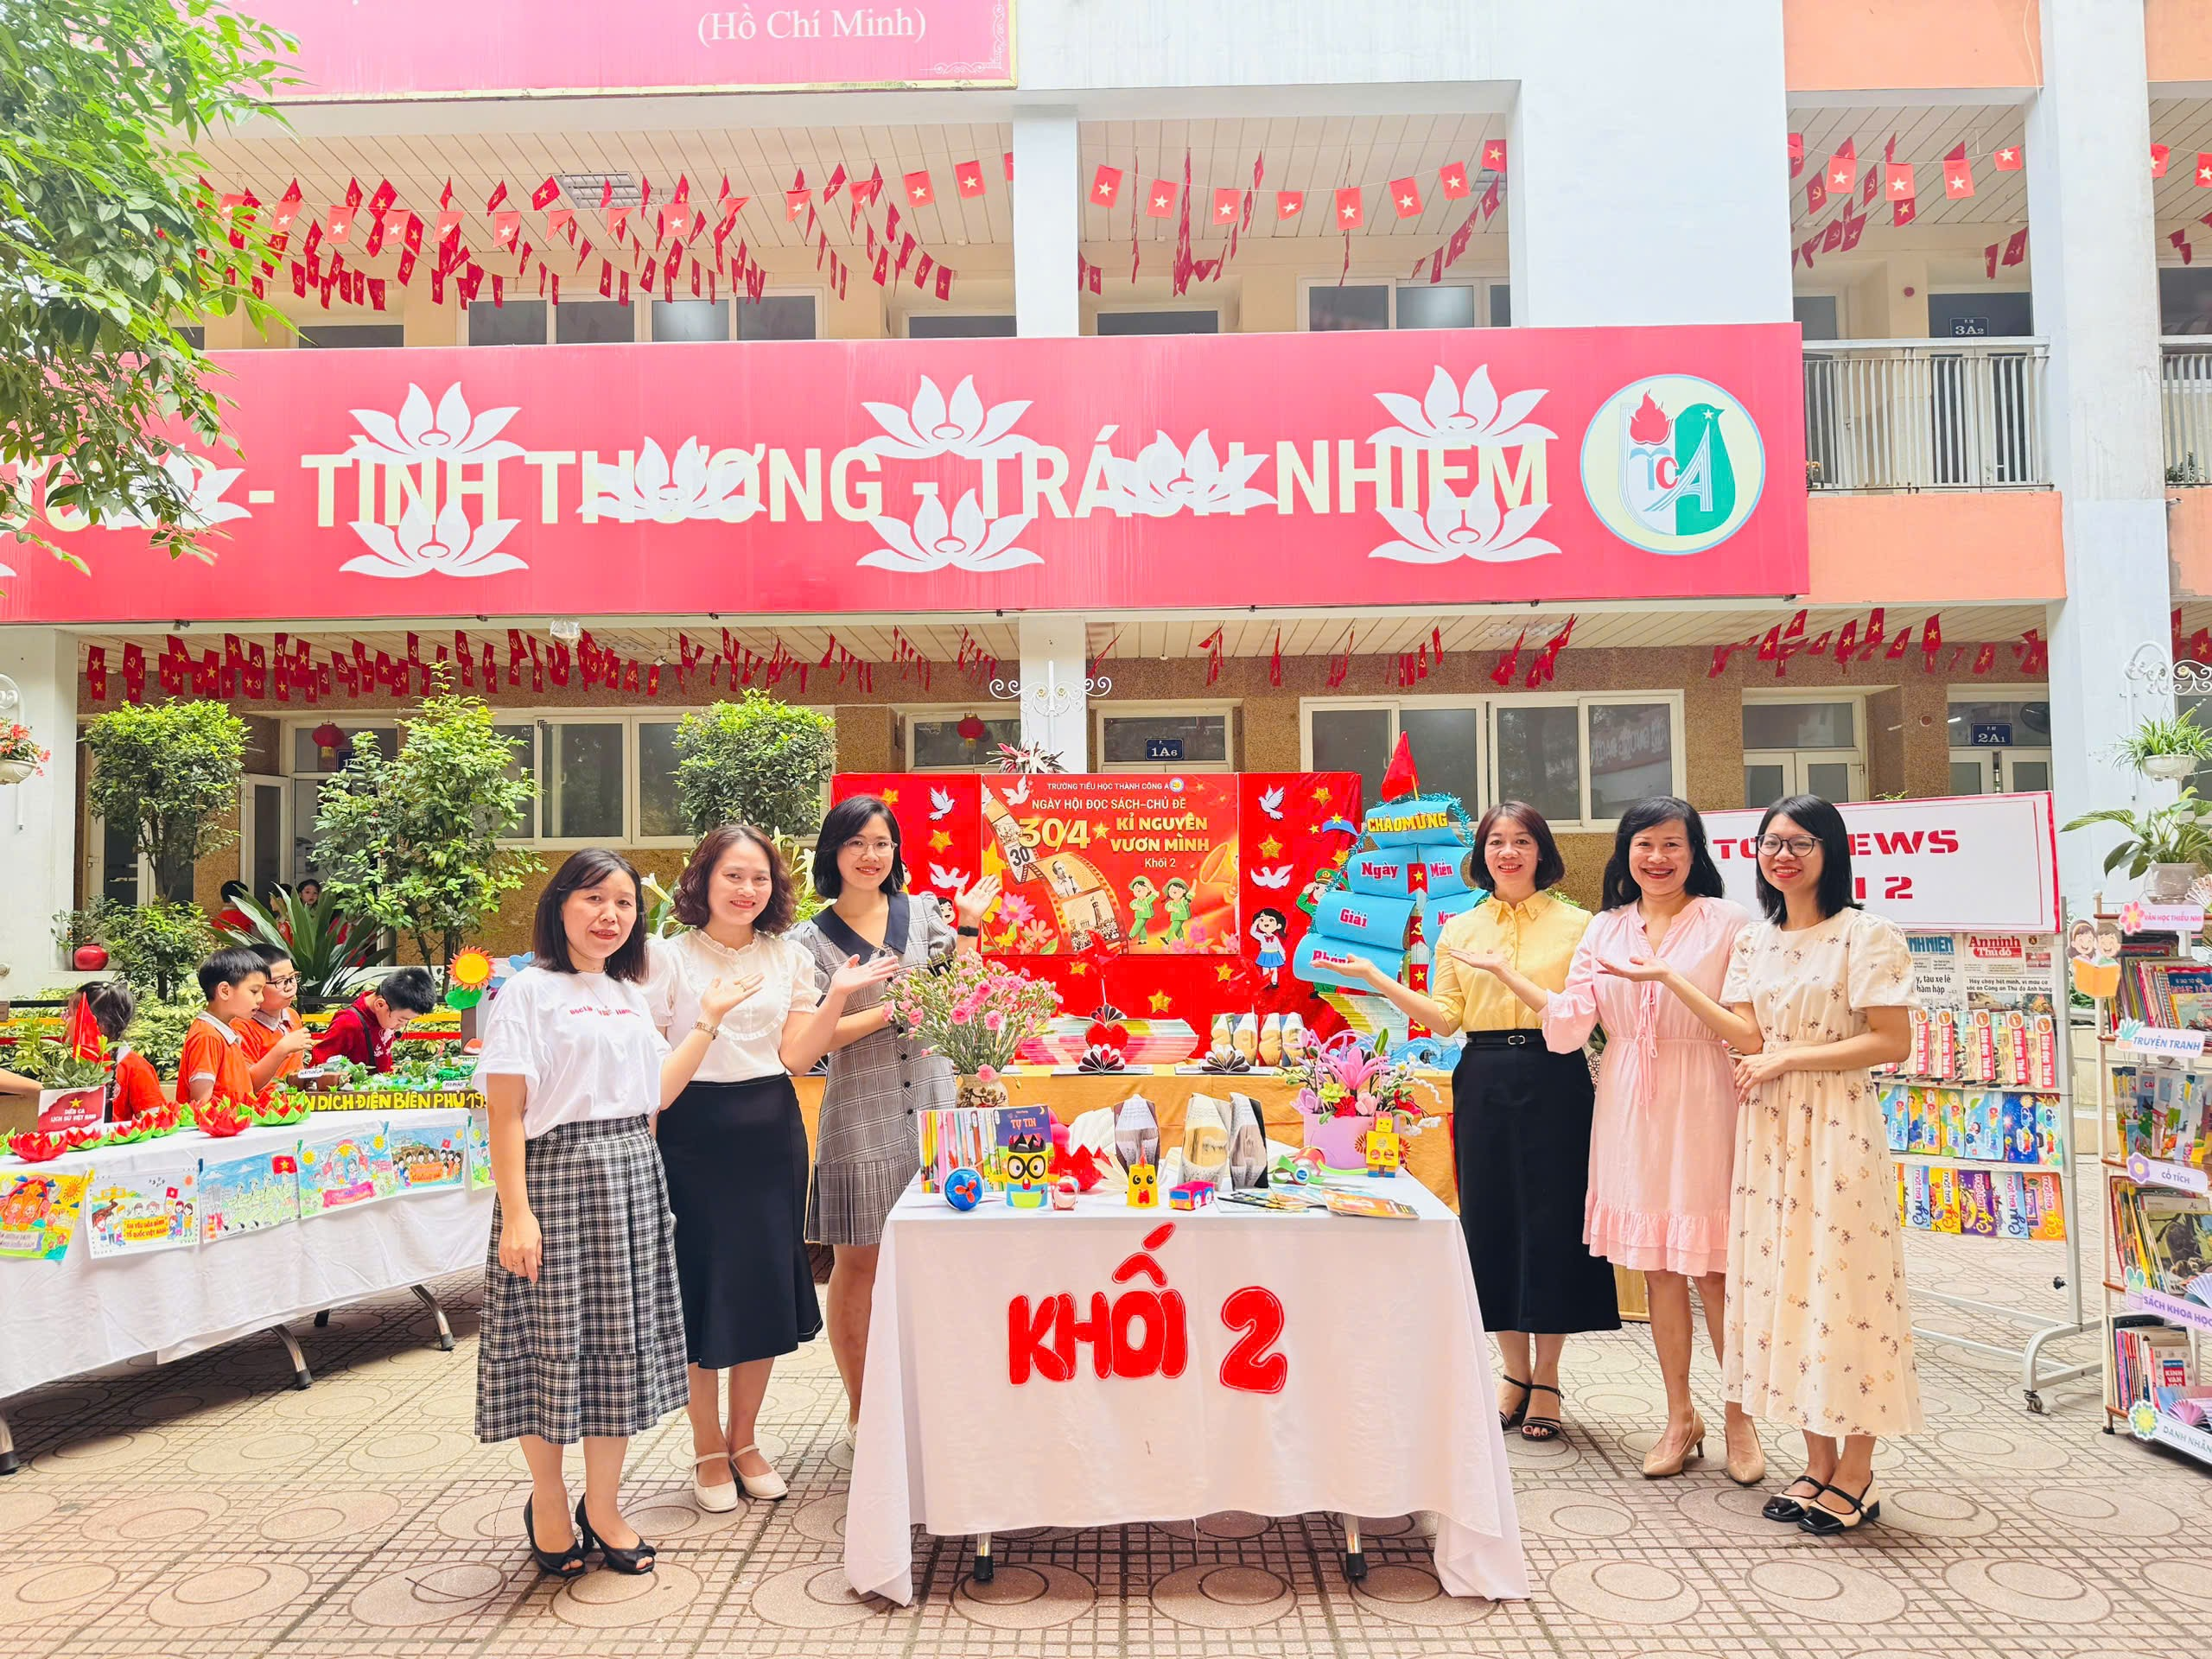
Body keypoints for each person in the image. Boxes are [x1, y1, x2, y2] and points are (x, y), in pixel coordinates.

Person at [1637, 795, 1920, 1535]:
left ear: (1831, 849)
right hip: (1765, 1133)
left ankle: (1857, 1469)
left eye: (1798, 842)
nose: (1782, 856)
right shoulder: (1756, 942)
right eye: (1770, 844)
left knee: (1848, 1292)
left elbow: (1892, 1041)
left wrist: (1790, 1057)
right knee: (1787, 1292)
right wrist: (1669, 980)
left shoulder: (1868, 934)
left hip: (1837, 1131)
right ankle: (1815, 1459)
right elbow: (1745, 1033)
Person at [474, 848, 748, 1580]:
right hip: (555, 1176)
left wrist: (708, 1022)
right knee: (550, 1349)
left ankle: (605, 1505)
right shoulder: (525, 993)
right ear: (560, 904)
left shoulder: (629, 994)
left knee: (615, 1355)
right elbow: (504, 1116)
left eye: (624, 903)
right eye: (594, 899)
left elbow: (656, 1091)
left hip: (629, 1171)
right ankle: (550, 1499)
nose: (610, 916)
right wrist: (517, 1214)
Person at [645, 824, 900, 1512]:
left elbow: (796, 1055)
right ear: (703, 879)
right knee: (701, 1293)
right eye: (732, 876)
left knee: (758, 1289)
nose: (746, 890)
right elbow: (650, 1071)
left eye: (758, 879)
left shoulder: (787, 956)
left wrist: (840, 995)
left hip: (770, 1129)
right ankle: (705, 1447)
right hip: (692, 1134)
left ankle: (746, 1439)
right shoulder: (666, 958)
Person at [1345, 801, 1618, 1442]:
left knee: (1553, 1224)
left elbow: (1585, 1014)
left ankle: (1548, 1378)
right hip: (1485, 1077)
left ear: (1543, 850)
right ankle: (1513, 1372)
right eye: (1497, 841)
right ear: (1482, 853)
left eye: (1522, 840)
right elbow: (1444, 1019)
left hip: (1557, 1075)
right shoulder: (1459, 928)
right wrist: (1378, 979)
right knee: (1491, 1221)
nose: (1509, 852)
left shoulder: (1581, 925)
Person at [1539, 798, 1758, 1482]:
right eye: (1643, 844)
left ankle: (1740, 1419)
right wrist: (1514, 983)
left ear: (1695, 852)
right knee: (1660, 1270)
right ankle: (1678, 1415)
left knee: (1717, 1270)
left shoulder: (1728, 924)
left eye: (1672, 844)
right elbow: (1571, 1027)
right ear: (1624, 853)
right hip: (1629, 1097)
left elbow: (1745, 1026)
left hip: (1707, 1095)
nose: (1657, 858)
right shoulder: (1604, 929)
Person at [795, 795, 999, 1439]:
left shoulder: (926, 914)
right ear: (833, 852)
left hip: (937, 1108)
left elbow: (964, 995)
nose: (869, 856)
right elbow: (812, 1041)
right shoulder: (810, 940)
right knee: (860, 1264)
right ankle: (865, 1411)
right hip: (861, 1110)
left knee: (949, 1256)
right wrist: (888, 1009)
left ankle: (945, 1401)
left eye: (881, 843)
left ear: (895, 851)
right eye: (855, 843)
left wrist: (967, 927)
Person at [177, 947, 268, 1109]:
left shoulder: (222, 1031)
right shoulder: (207, 1036)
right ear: (225, 991)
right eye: (254, 991)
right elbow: (200, 1104)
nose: (261, 998)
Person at [311, 968, 437, 1071]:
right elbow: (318, 1068)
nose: (401, 1026)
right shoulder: (348, 1023)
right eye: (401, 1019)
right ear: (380, 1005)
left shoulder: (383, 1016)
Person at [233, 946, 315, 1103]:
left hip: (295, 1106)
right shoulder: (241, 1026)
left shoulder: (292, 1015)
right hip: (261, 1114)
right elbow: (248, 1083)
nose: (290, 987)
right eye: (280, 982)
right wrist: (282, 1049)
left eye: (292, 978)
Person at [79, 982, 168, 1122]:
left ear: (94, 1022)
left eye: (71, 1013)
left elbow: (155, 1123)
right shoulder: (76, 1065)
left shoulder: (136, 1067)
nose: (63, 1018)